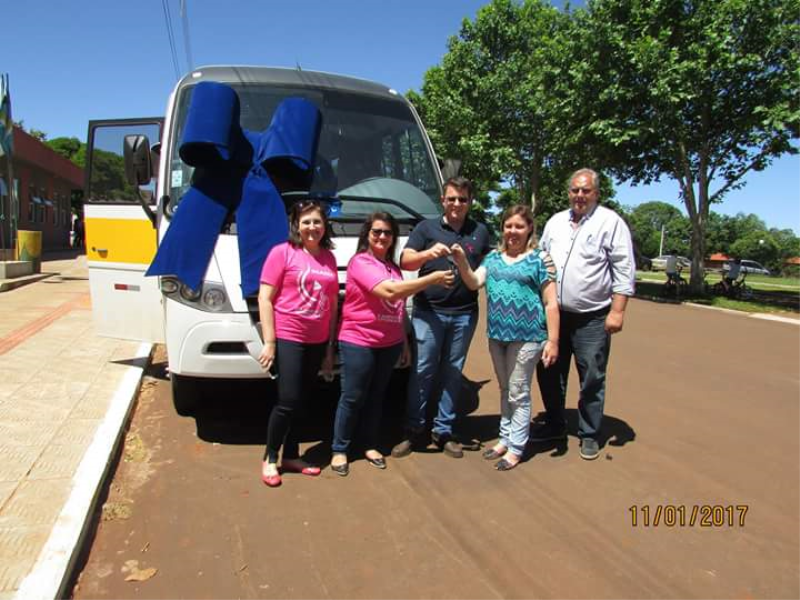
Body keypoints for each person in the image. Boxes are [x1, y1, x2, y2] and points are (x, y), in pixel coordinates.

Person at [330, 212, 455, 476]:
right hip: (358, 339)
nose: (382, 237)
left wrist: (404, 344)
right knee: (352, 397)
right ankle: (340, 449)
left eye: (388, 232)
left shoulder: (393, 267)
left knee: (376, 397)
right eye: (377, 231)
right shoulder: (360, 262)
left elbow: (397, 308)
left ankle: (369, 445)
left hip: (388, 343)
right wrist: (431, 279)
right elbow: (390, 292)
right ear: (367, 234)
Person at [533, 168, 635, 460]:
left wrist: (618, 311)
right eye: (575, 190)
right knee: (549, 370)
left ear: (596, 193)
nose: (579, 196)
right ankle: (554, 422)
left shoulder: (610, 222)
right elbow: (541, 259)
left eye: (586, 190)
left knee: (591, 375)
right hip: (554, 315)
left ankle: (589, 433)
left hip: (592, 316)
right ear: (569, 192)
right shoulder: (555, 222)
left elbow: (624, 269)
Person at [453, 204, 560, 470]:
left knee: (518, 392)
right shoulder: (492, 258)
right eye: (508, 226)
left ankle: (516, 448)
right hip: (497, 335)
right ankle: (505, 437)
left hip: (528, 336)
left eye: (519, 226)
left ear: (529, 229)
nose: (513, 231)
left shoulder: (540, 259)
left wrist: (553, 340)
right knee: (505, 389)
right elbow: (474, 282)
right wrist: (461, 262)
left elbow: (551, 303)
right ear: (502, 228)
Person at [391, 176, 492, 459]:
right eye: (451, 199)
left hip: (463, 315)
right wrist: (427, 253)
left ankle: (443, 431)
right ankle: (413, 431)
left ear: (470, 201)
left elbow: (489, 268)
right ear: (443, 201)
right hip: (428, 312)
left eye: (462, 199)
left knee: (452, 372)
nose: (457, 204)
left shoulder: (480, 231)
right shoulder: (426, 227)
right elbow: (405, 261)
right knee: (423, 371)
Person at [257, 200, 338, 487]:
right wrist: (270, 342)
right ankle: (270, 457)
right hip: (289, 336)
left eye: (317, 221)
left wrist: (329, 349)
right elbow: (265, 298)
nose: (312, 227)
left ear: (324, 225)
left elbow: (332, 304)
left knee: (302, 401)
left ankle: (291, 456)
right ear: (296, 225)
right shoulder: (282, 253)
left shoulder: (328, 257)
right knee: (287, 400)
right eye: (306, 222)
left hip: (317, 341)